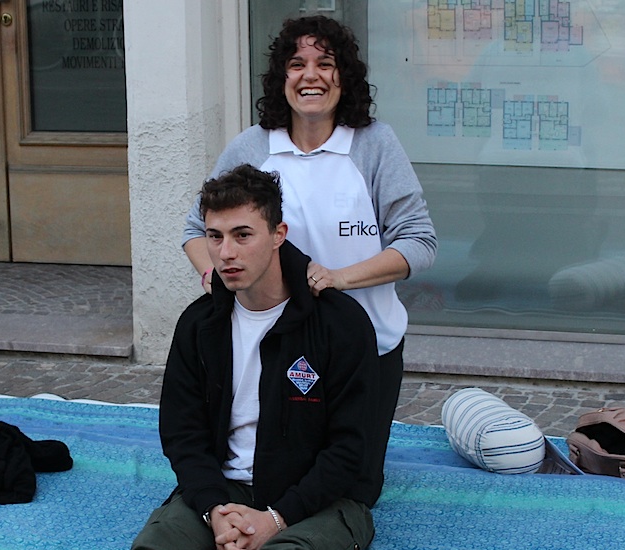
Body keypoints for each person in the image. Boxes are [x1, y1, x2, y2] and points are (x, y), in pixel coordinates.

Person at [7, 164, 382, 550]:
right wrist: (214, 510)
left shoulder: (339, 323)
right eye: (214, 236)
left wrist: (276, 518)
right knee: (158, 545)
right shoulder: (202, 322)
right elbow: (181, 434)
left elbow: (353, 449)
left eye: (242, 234)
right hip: (224, 490)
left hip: (321, 500)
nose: (225, 252)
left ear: (278, 234)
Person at [183, 15, 437, 482]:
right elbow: (196, 229)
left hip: (367, 346)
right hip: (274, 346)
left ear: (345, 75)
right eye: (297, 64)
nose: (310, 76)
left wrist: (339, 278)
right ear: (282, 77)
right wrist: (212, 276)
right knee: (272, 475)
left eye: (325, 63)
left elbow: (418, 242)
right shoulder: (252, 146)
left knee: (355, 485)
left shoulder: (375, 145)